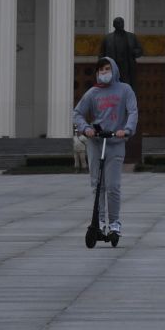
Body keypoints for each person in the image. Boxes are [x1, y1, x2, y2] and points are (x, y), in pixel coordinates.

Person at [72, 56, 138, 238]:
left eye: (107, 69)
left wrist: (127, 129)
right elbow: (77, 113)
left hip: (115, 143)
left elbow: (132, 111)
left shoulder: (125, 90)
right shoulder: (93, 92)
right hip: (96, 142)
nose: (104, 73)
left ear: (114, 70)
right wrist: (86, 128)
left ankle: (115, 222)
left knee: (113, 186)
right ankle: (99, 221)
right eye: (101, 70)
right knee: (97, 184)